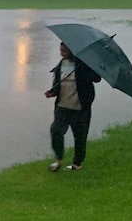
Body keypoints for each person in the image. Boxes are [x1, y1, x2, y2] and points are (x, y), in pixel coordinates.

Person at [44, 42, 102, 171]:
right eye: (60, 51)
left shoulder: (83, 65)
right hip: (62, 107)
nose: (61, 54)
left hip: (80, 108)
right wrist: (52, 92)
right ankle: (58, 159)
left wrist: (91, 65)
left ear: (71, 52)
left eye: (64, 51)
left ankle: (77, 164)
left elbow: (97, 78)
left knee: (80, 136)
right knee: (56, 131)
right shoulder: (61, 65)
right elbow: (58, 84)